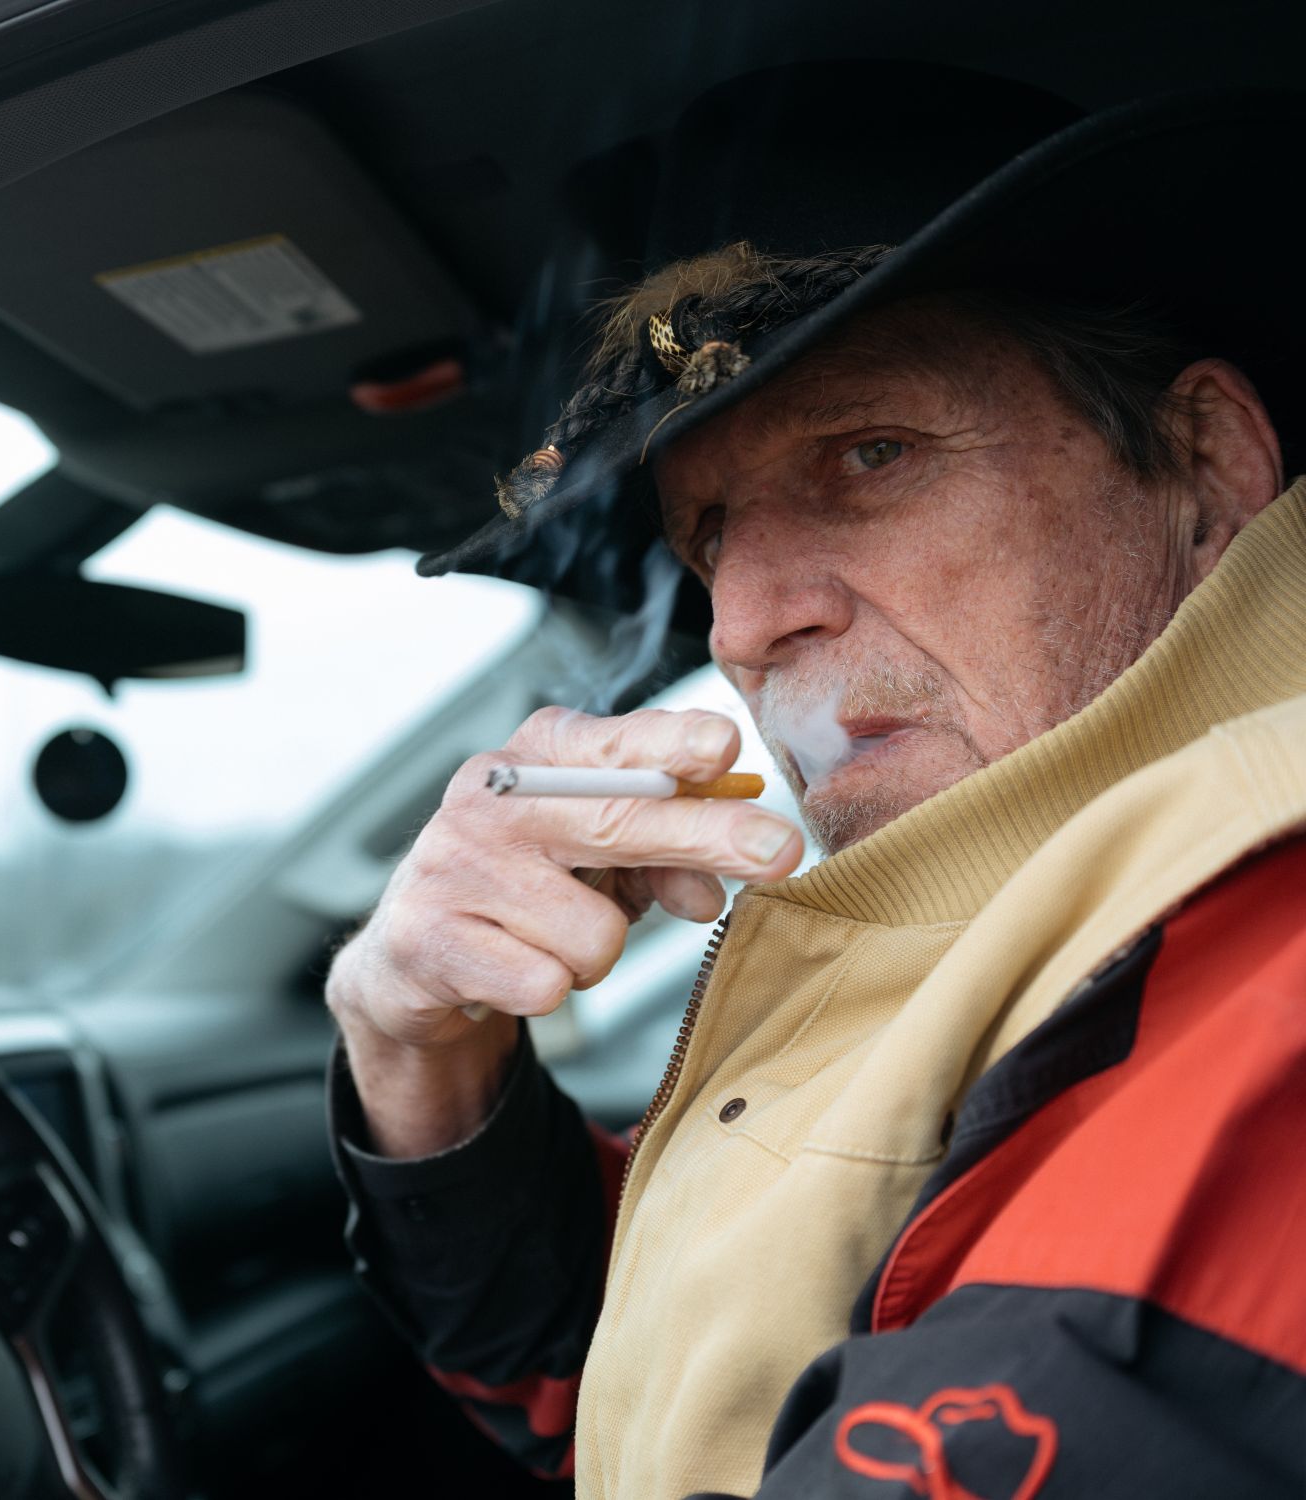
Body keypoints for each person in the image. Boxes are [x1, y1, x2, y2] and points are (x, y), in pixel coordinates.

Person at [325, 78, 1306, 1500]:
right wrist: (424, 1062)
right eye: (711, 535)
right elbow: (652, 1386)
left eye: (871, 455)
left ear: (1208, 471)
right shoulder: (1040, 937)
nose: (739, 625)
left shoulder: (1262, 974)